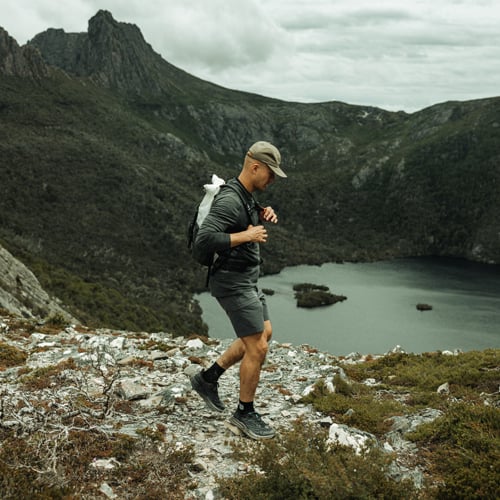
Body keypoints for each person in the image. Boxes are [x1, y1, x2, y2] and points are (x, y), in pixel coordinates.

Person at [190, 140, 287, 440]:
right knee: (257, 346)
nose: (272, 180)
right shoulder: (230, 200)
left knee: (264, 332)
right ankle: (244, 414)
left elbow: (240, 219)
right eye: (270, 174)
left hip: (246, 278)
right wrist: (247, 235)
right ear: (255, 167)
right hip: (232, 281)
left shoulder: (244, 195)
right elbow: (204, 241)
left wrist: (261, 213)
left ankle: (208, 378)